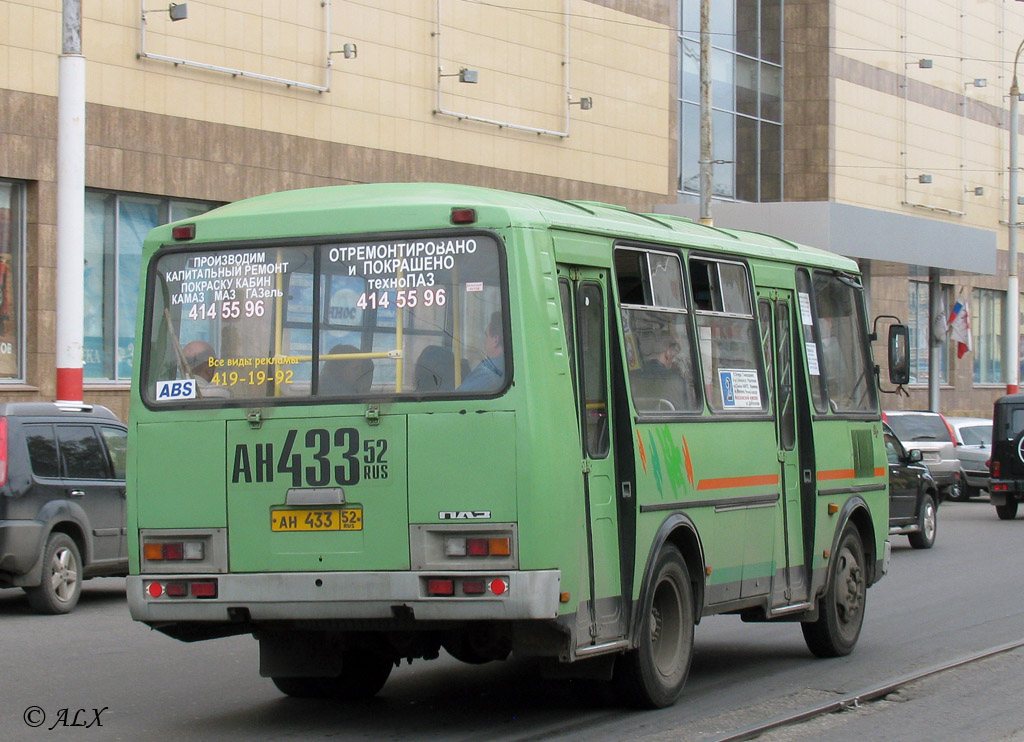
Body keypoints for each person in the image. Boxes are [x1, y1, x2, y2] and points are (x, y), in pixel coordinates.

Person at [458, 312, 505, 392]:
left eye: (486, 336)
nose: (484, 342)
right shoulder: (505, 366)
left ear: (495, 340)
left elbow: (457, 399)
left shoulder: (487, 373)